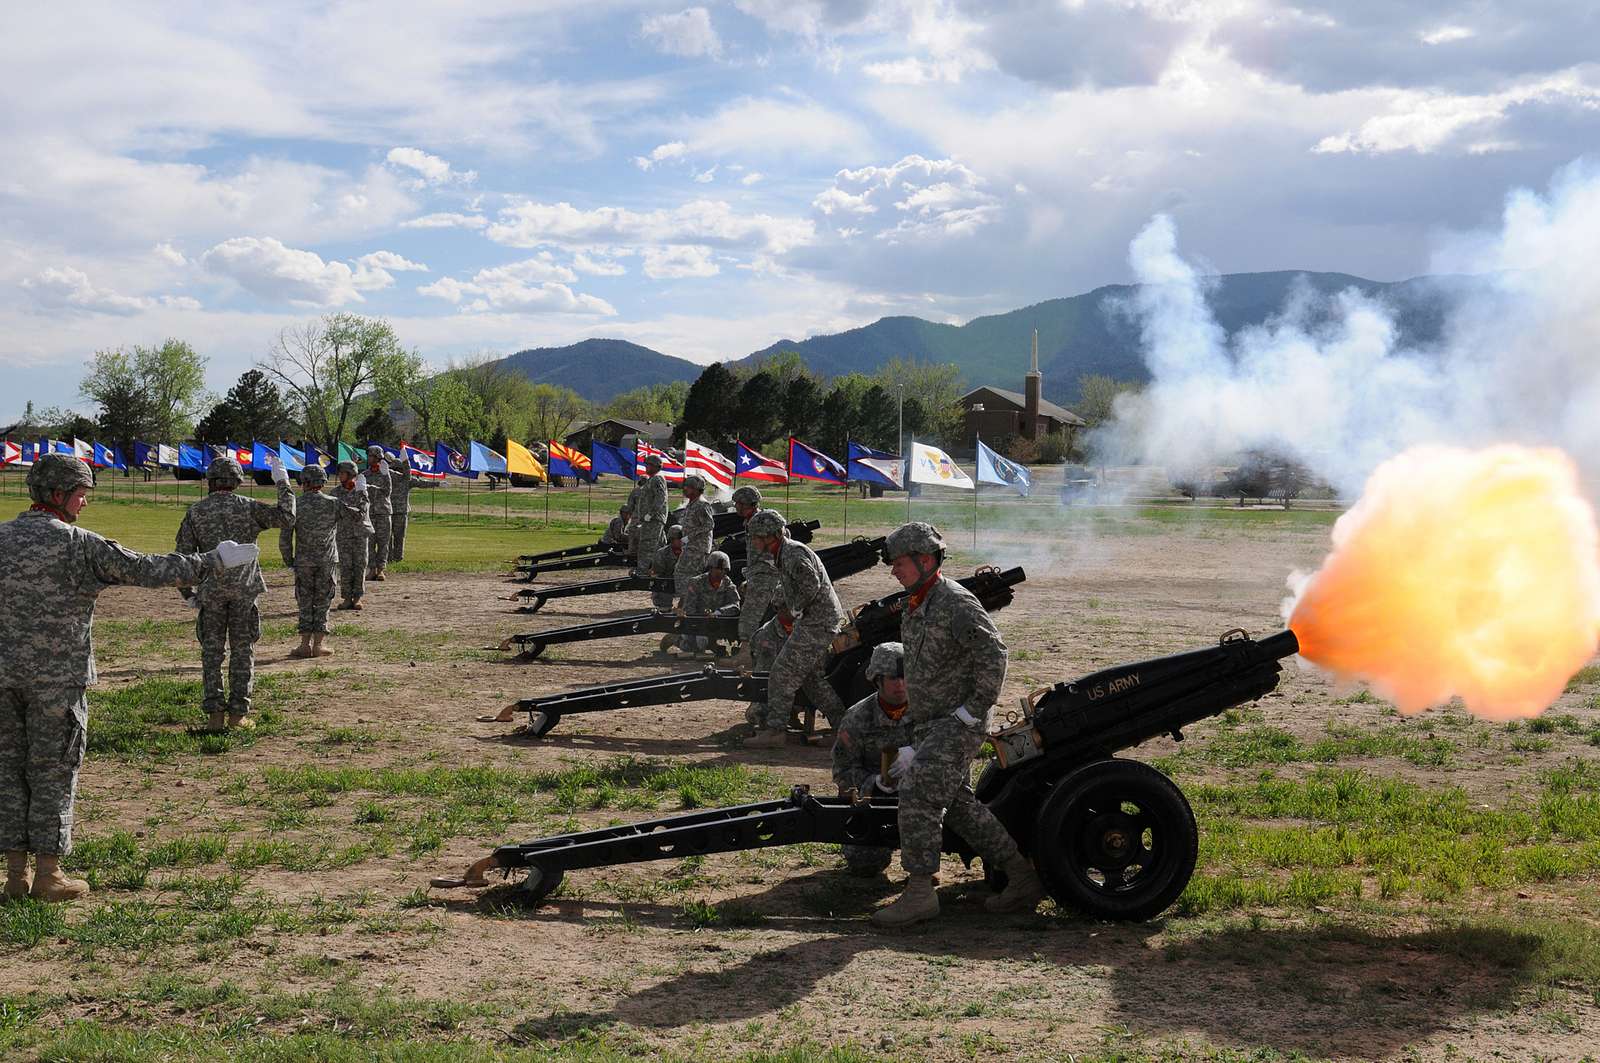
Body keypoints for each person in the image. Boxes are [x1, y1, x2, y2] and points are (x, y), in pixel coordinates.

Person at [1, 454, 257, 902]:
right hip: (57, 682)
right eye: (81, 494)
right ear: (59, 495)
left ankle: (14, 877)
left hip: (3, 679)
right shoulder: (79, 543)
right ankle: (48, 875)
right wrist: (212, 561)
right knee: (53, 772)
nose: (84, 503)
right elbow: (147, 569)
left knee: (8, 773)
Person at [871, 521, 1044, 928]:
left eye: (899, 563)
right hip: (929, 723)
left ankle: (919, 893)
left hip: (957, 723)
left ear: (926, 560)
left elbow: (994, 654)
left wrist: (972, 711)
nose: (894, 571)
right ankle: (1022, 878)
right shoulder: (916, 604)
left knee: (917, 791)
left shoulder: (954, 602)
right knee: (960, 807)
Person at [175, 456, 296, 733]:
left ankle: (214, 715)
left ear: (211, 481)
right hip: (244, 590)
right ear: (237, 481)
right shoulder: (249, 508)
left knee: (211, 653)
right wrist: (283, 484)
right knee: (243, 652)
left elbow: (182, 557)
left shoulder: (197, 512)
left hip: (211, 592)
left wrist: (187, 593)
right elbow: (287, 518)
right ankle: (238, 715)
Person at [740, 509, 846, 746]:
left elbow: (810, 584)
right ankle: (844, 727)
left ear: (771, 536)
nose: (754, 541)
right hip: (817, 621)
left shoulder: (792, 553)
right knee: (811, 680)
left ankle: (776, 731)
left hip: (816, 622)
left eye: (757, 536)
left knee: (781, 673)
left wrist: (793, 610)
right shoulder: (785, 553)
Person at [831, 642, 912, 878]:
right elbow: (843, 770)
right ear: (877, 680)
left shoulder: (928, 710)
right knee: (864, 862)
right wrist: (875, 783)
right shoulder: (857, 718)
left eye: (904, 676)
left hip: (922, 795)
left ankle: (921, 868)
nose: (900, 684)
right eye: (892, 678)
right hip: (875, 799)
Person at [280, 463, 340, 659]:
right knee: (323, 601)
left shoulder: (296, 505)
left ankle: (304, 645)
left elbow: (285, 536)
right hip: (327, 561)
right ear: (322, 482)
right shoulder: (333, 503)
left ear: (303, 482)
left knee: (305, 601)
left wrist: (289, 558)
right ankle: (319, 645)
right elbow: (359, 518)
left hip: (304, 561)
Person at [731, 486, 778, 726]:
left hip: (765, 576)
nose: (737, 508)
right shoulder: (752, 522)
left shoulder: (762, 521)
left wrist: (760, 574)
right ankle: (748, 653)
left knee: (751, 616)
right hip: (758, 574)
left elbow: (772, 549)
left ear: (751, 504)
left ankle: (745, 657)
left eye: (741, 504)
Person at [675, 550, 740, 656]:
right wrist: (703, 619)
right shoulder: (696, 582)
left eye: (723, 570)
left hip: (719, 623)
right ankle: (677, 639)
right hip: (698, 622)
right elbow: (689, 608)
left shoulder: (728, 583)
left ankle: (712, 644)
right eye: (717, 569)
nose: (720, 572)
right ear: (710, 568)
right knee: (692, 646)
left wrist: (719, 613)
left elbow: (735, 605)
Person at [333, 461, 372, 610]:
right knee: (345, 567)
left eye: (343, 473)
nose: (341, 476)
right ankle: (347, 598)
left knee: (360, 566)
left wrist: (343, 506)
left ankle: (357, 598)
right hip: (343, 535)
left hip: (360, 534)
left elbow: (361, 513)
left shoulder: (361, 490)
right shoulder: (335, 493)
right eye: (340, 473)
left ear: (351, 475)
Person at [674, 473, 715, 602]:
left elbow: (709, 525)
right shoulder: (691, 504)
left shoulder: (702, 505)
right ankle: (686, 601)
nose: (685, 489)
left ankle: (689, 603)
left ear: (698, 490)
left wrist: (689, 537)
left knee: (686, 574)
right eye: (685, 486)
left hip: (698, 548)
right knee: (683, 573)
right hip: (690, 546)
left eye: (689, 487)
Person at [633, 453, 668, 576]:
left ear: (655, 466)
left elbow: (660, 498)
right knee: (660, 545)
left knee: (647, 545)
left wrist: (650, 514)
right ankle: (663, 568)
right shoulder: (653, 479)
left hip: (653, 519)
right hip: (652, 519)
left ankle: (643, 571)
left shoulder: (657, 478)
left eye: (648, 465)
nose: (646, 467)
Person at [364, 445, 394, 581]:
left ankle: (381, 569)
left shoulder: (385, 473)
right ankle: (372, 569)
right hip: (369, 513)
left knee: (383, 542)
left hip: (383, 512)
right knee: (369, 543)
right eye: (369, 456)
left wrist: (370, 487)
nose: (369, 458)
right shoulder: (364, 475)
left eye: (371, 456)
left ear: (378, 458)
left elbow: (387, 491)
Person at [649, 525, 684, 616]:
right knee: (664, 609)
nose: (682, 540)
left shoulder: (688, 552)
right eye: (679, 538)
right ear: (672, 539)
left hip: (684, 583)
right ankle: (663, 602)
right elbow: (656, 574)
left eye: (683, 538)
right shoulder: (662, 553)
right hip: (667, 583)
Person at [388, 451, 417, 563]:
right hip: (388, 512)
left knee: (399, 537)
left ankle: (398, 558)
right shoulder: (386, 480)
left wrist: (437, 484)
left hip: (401, 513)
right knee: (388, 538)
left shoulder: (406, 480)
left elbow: (422, 483)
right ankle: (388, 558)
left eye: (398, 469)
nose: (396, 472)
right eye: (394, 469)